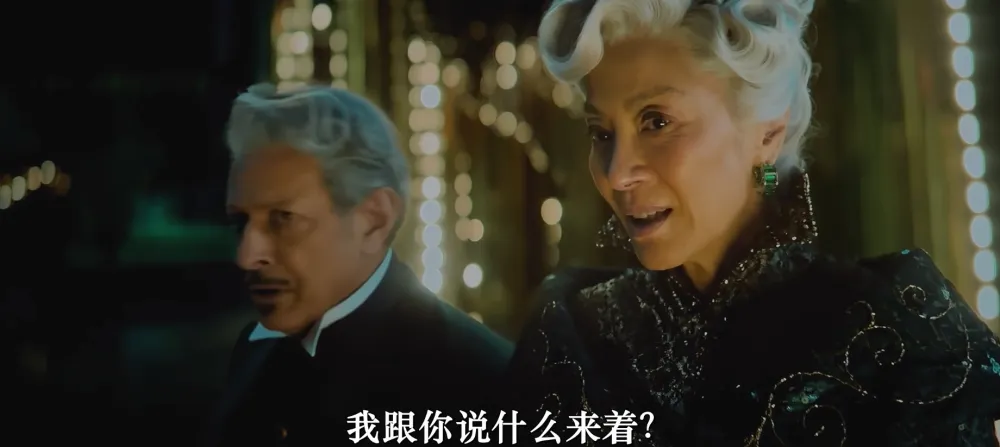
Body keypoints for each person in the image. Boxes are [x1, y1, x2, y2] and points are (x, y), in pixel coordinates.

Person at [506, 0, 1000, 445]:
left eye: (656, 121)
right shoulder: (575, 333)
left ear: (767, 134)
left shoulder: (896, 331)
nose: (617, 173)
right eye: (601, 132)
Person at [204, 84, 513, 446]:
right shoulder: (257, 351)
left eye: (283, 219)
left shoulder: (483, 384)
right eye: (241, 222)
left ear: (373, 220)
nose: (247, 256)